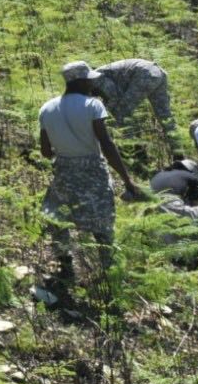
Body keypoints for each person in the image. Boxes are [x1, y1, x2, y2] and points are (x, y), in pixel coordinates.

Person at [38, 61, 143, 285]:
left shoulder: (46, 109)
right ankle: (110, 273)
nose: (93, 83)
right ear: (82, 81)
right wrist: (127, 180)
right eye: (90, 80)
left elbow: (46, 152)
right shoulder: (92, 106)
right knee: (102, 221)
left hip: (64, 171)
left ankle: (64, 265)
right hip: (93, 170)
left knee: (57, 216)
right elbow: (106, 143)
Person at [89, 59, 180, 154]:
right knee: (165, 116)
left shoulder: (94, 78)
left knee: (121, 113)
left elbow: (114, 97)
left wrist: (104, 114)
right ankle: (179, 153)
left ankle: (135, 152)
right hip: (158, 72)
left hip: (144, 75)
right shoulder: (95, 77)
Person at [149, 158, 198, 226]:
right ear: (193, 172)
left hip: (149, 212)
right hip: (171, 205)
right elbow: (195, 206)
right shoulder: (191, 178)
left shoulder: (160, 175)